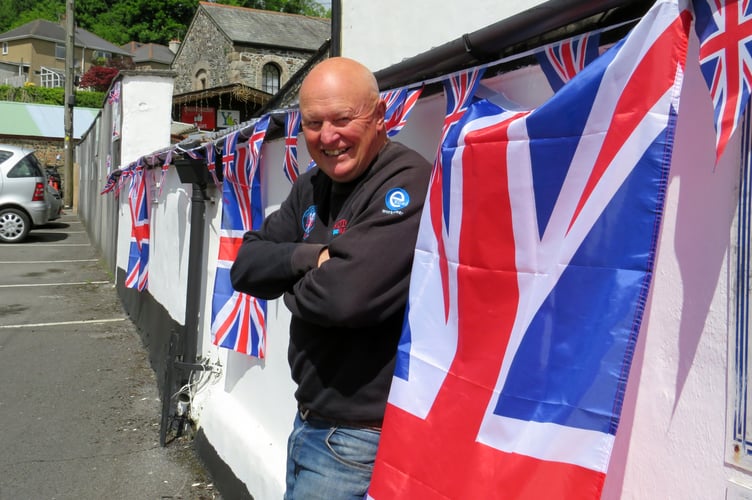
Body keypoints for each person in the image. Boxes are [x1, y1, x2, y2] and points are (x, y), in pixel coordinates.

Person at [230, 56, 432, 499]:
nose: (328, 137)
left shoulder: (407, 181)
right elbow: (245, 268)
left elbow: (345, 297)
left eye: (343, 119)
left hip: (357, 437)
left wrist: (287, 282)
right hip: (309, 421)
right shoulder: (312, 185)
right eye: (313, 123)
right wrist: (312, 257)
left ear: (379, 117)